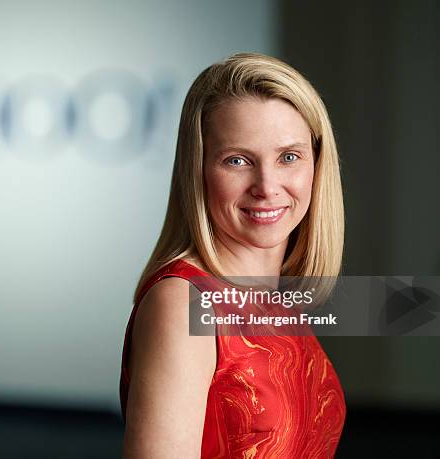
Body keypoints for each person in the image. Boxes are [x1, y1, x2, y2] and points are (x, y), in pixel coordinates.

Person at [119, 53, 346, 458]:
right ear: (198, 171)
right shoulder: (184, 303)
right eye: (237, 161)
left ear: (317, 165)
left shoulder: (274, 298)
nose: (267, 186)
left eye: (288, 157)